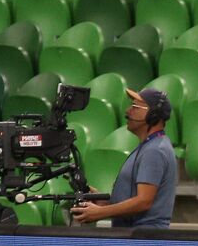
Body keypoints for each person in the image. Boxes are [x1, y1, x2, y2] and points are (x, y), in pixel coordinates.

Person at [70, 87, 177, 228]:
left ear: (153, 115)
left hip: (144, 238)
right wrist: (105, 202)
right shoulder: (149, 146)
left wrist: (101, 212)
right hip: (134, 235)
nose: (127, 112)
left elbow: (144, 201)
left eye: (134, 106)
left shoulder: (155, 151)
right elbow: (136, 199)